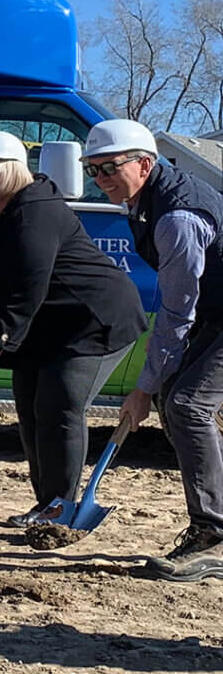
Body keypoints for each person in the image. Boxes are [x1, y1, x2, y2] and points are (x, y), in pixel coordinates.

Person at [0, 129, 146, 528]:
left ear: (14, 168)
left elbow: (22, 295)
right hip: (46, 323)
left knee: (59, 404)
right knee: (28, 407)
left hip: (94, 319)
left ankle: (61, 508)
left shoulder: (36, 211)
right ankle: (46, 503)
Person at [82, 118, 223, 581]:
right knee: (177, 400)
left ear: (145, 164)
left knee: (186, 405)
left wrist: (143, 388)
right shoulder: (143, 198)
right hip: (215, 312)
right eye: (92, 170)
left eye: (109, 169)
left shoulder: (177, 218)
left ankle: (212, 537)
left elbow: (177, 314)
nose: (100, 180)